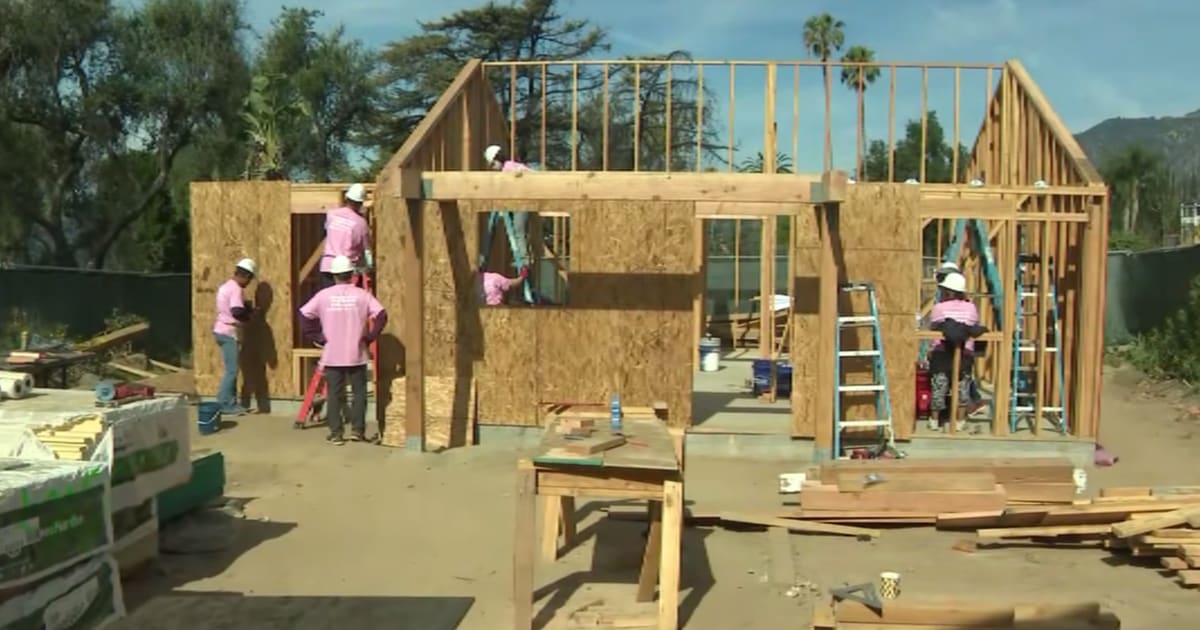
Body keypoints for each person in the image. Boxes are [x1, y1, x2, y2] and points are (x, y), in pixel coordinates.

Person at [299, 255, 388, 445]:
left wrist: (317, 337)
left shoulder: (323, 296)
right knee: (359, 394)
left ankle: (336, 434)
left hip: (333, 354)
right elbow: (381, 315)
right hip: (357, 354)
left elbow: (304, 315)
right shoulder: (362, 295)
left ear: (333, 275)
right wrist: (370, 337)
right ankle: (357, 431)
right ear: (351, 274)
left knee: (334, 395)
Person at [927, 271, 983, 431]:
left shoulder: (939, 308)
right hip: (965, 353)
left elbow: (933, 327)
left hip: (941, 353)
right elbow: (973, 325)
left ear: (947, 291)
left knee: (939, 386)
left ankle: (934, 420)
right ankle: (960, 421)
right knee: (962, 387)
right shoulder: (971, 308)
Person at [213, 258, 257, 416]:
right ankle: (223, 404)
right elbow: (237, 311)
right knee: (232, 371)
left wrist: (246, 308)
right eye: (249, 280)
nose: (249, 283)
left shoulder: (226, 286)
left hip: (220, 330)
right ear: (246, 276)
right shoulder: (236, 289)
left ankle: (231, 403)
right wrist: (249, 316)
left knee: (231, 369)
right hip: (228, 332)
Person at [319, 183, 372, 289]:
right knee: (348, 298)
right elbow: (366, 250)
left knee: (330, 297)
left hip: (328, 265)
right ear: (361, 202)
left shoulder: (331, 214)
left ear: (346, 198)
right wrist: (368, 268)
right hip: (347, 270)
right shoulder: (361, 223)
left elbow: (326, 232)